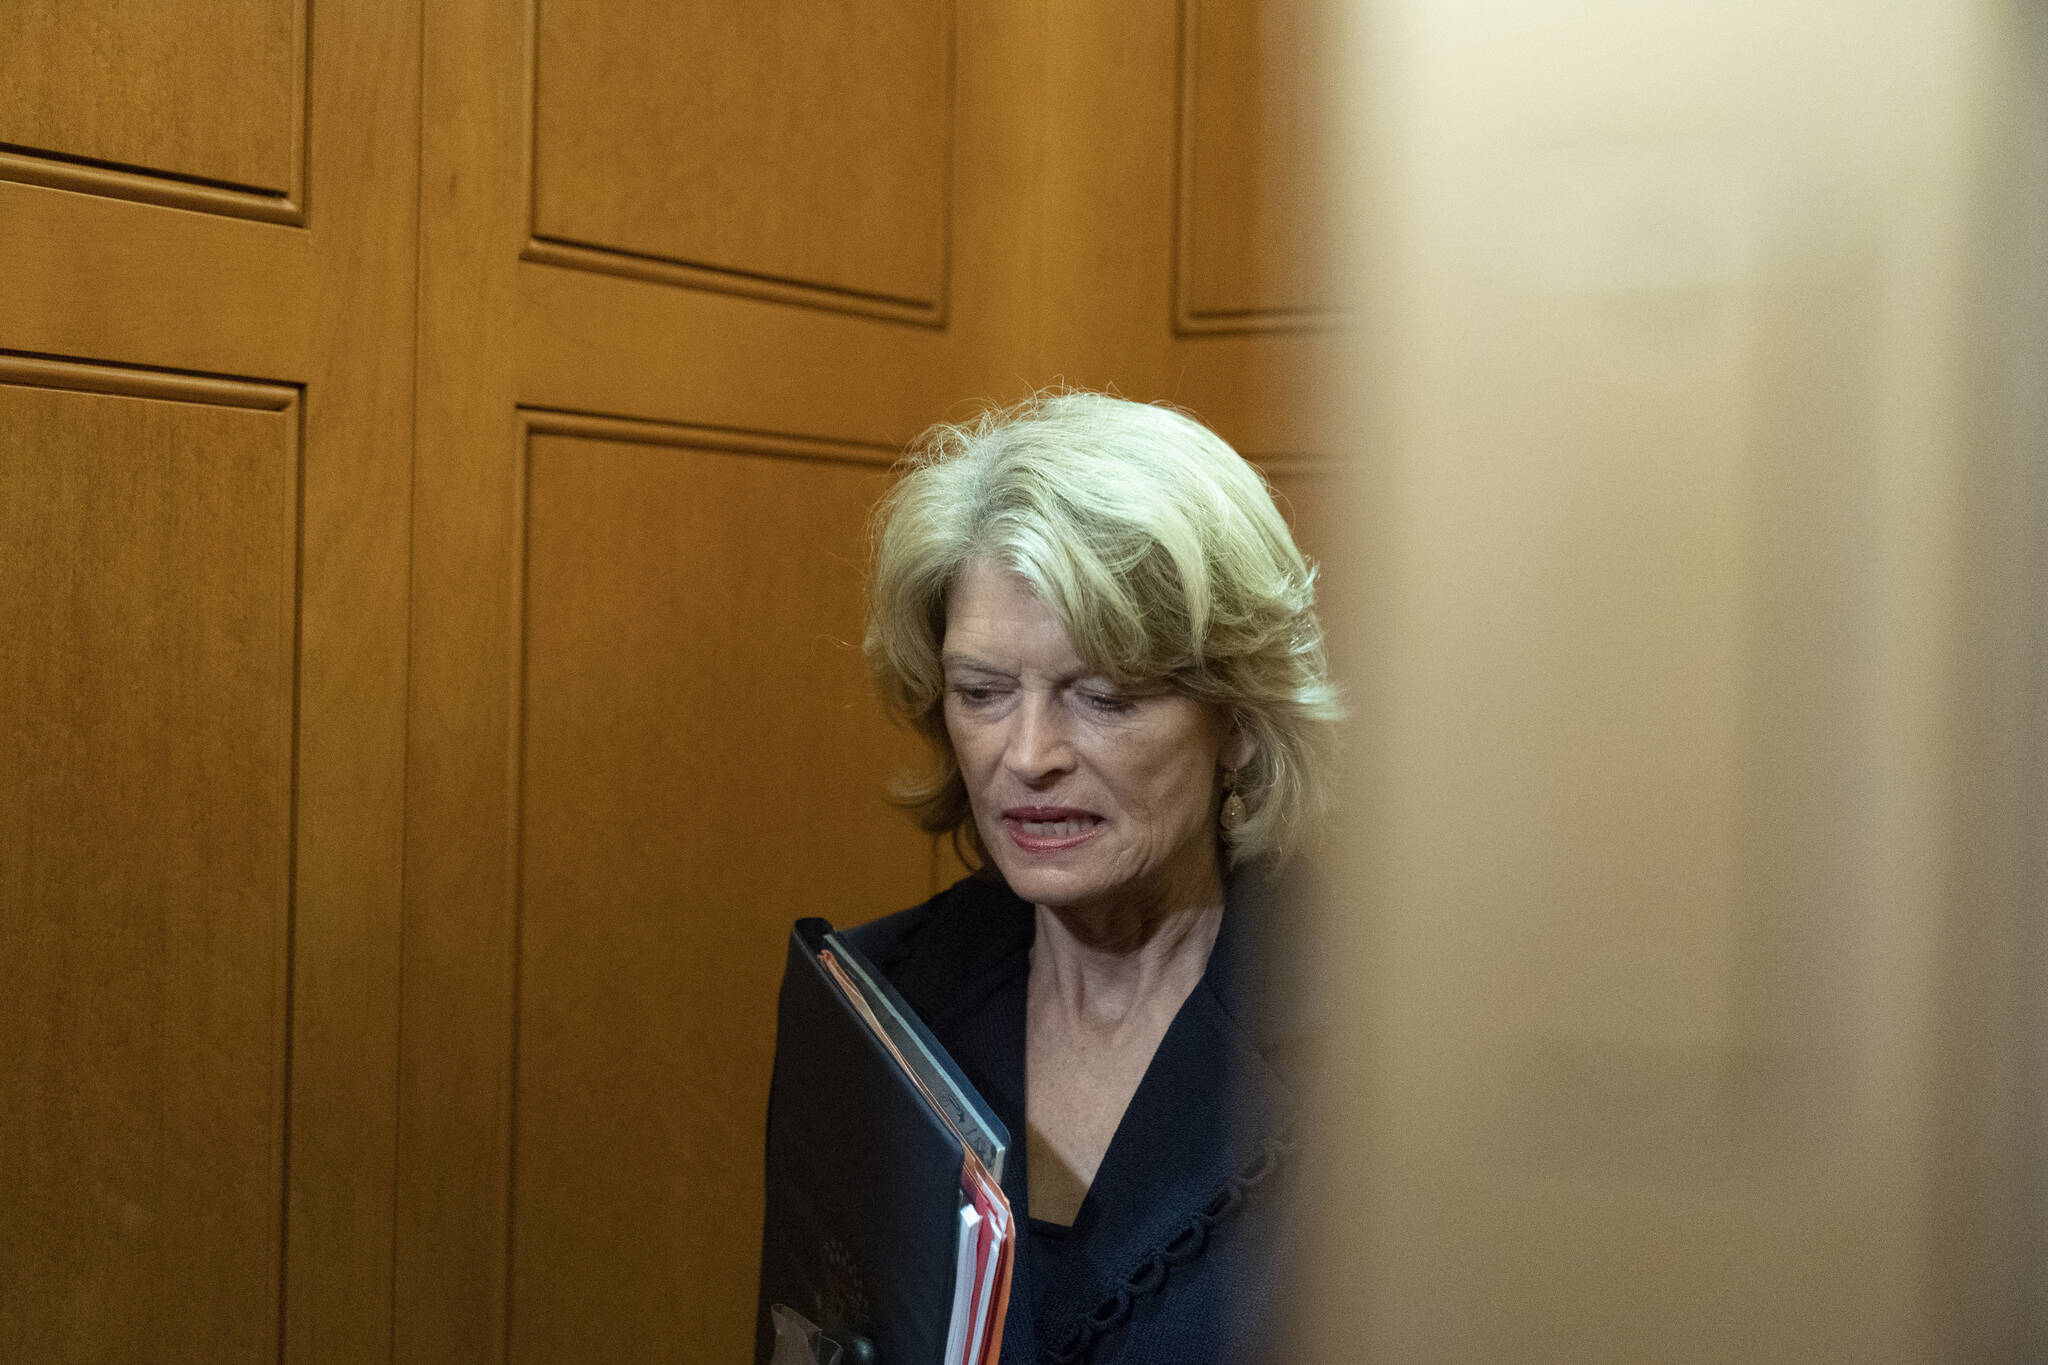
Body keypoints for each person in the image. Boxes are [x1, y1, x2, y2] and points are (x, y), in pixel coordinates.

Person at [848, 391, 1340, 1363]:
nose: (1026, 755)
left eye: (1102, 696)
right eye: (981, 692)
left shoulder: (1394, 1045)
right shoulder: (875, 1004)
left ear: (1237, 720)